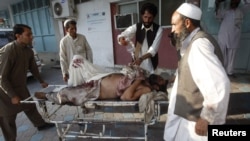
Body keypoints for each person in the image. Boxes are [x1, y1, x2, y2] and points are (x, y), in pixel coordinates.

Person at [163, 3, 230, 141]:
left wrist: (207, 117)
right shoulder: (190, 43)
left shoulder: (199, 45)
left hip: (194, 124)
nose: (172, 30)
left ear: (187, 23)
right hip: (185, 117)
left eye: (174, 25)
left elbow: (218, 84)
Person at [35, 55, 168, 105]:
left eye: (160, 80)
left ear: (156, 87)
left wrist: (138, 80)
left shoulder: (146, 88)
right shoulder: (145, 78)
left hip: (95, 89)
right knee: (77, 59)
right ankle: (73, 84)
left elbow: (126, 97)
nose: (158, 77)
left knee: (66, 94)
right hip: (100, 76)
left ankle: (48, 95)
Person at [0, 24, 54, 141]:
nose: (32, 37)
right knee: (7, 118)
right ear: (18, 36)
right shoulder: (9, 51)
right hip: (4, 91)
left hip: (20, 86)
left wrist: (41, 81)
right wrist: (13, 95)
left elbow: (33, 67)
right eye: (28, 35)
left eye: (31, 34)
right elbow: (2, 78)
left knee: (29, 106)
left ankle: (40, 124)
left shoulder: (28, 51)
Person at [117, 2, 163, 74]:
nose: (147, 20)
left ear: (154, 17)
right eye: (145, 17)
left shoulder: (159, 29)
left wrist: (141, 59)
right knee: (136, 80)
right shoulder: (137, 26)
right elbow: (124, 34)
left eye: (150, 18)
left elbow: (153, 50)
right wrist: (121, 39)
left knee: (150, 81)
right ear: (142, 16)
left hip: (150, 61)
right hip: (137, 59)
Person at [215, 0, 250, 77]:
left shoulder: (241, 11)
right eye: (232, 2)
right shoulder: (225, 11)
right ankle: (220, 72)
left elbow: (248, 3)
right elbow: (217, 15)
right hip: (223, 37)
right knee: (221, 55)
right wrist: (217, 4)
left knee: (232, 56)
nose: (233, 3)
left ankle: (230, 72)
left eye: (235, 2)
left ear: (238, 3)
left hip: (234, 37)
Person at [59, 19, 93, 83]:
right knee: (75, 88)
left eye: (75, 28)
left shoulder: (82, 38)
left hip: (84, 68)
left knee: (86, 85)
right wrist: (64, 73)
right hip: (72, 70)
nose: (74, 30)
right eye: (72, 29)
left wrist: (90, 64)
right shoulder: (63, 41)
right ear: (66, 30)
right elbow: (62, 58)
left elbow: (89, 51)